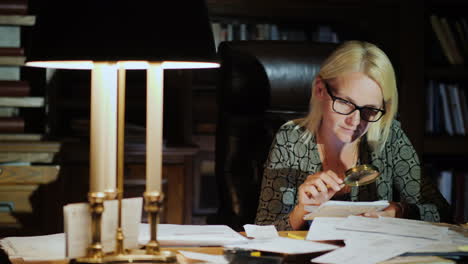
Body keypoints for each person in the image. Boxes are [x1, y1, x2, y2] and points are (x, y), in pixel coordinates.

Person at [254, 40, 450, 231]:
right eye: (345, 103)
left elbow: (442, 212)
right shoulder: (291, 139)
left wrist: (399, 211)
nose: (355, 121)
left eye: (370, 110)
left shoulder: (390, 137)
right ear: (320, 89)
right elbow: (264, 230)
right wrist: (302, 210)